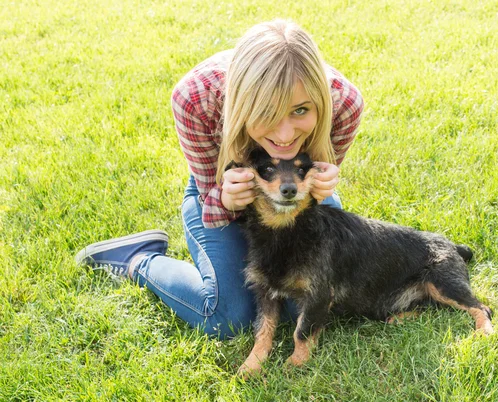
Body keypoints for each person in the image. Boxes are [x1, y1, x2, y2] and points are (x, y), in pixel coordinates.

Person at [75, 19, 364, 339]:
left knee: (316, 301)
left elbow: (314, 186)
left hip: (292, 198)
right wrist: (227, 199)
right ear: (241, 105)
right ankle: (139, 260)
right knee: (229, 318)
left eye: (300, 111)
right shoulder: (194, 99)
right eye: (267, 111)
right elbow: (206, 194)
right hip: (215, 193)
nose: (284, 136)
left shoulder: (344, 103)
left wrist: (321, 189)